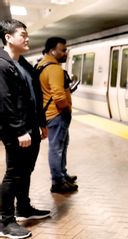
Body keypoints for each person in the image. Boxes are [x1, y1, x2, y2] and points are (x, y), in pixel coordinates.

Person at [0, 19, 51, 239]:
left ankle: (24, 207)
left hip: (31, 128)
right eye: (22, 34)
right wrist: (19, 130)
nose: (27, 37)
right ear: (8, 37)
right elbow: (5, 101)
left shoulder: (23, 63)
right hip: (16, 130)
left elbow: (33, 97)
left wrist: (42, 122)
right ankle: (5, 220)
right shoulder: (2, 65)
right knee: (14, 174)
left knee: (26, 171)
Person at [37, 37, 78, 193]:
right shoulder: (54, 69)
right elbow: (59, 96)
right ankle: (58, 182)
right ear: (52, 51)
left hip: (49, 114)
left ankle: (62, 173)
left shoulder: (42, 64)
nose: (65, 53)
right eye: (63, 50)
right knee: (57, 148)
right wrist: (66, 109)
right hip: (57, 114)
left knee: (61, 146)